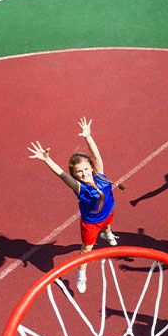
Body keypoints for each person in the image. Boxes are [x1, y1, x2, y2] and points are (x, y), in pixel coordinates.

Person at [27, 117, 124, 293]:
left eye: (86, 169)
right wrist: (47, 160)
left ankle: (108, 234)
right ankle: (81, 273)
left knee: (108, 224)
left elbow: (96, 156)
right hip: (91, 222)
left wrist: (88, 137)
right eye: (79, 172)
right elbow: (62, 175)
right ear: (76, 175)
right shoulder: (80, 188)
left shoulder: (100, 175)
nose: (83, 173)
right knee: (87, 249)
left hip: (108, 212)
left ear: (92, 168)